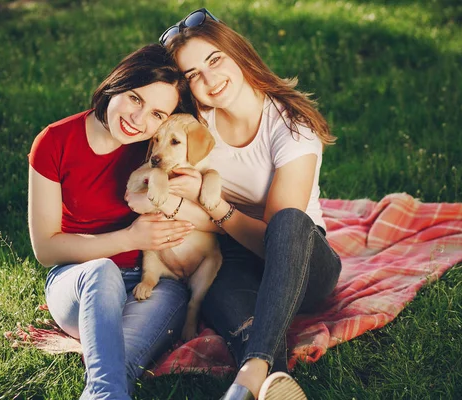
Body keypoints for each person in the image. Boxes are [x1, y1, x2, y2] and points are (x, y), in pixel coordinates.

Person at [157, 9, 342, 400]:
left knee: (289, 220)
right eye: (193, 75)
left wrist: (215, 207)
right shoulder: (196, 126)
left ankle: (253, 366)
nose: (209, 80)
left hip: (304, 258)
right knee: (213, 282)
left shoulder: (291, 126)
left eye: (214, 60)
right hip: (237, 255)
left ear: (237, 52)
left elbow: (275, 240)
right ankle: (261, 382)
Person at [27, 44, 205, 400]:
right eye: (135, 99)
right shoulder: (54, 141)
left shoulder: (156, 151)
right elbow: (46, 248)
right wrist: (131, 238)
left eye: (157, 114)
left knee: (116, 365)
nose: (139, 121)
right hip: (78, 280)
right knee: (101, 271)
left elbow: (209, 218)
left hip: (155, 283)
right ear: (116, 83)